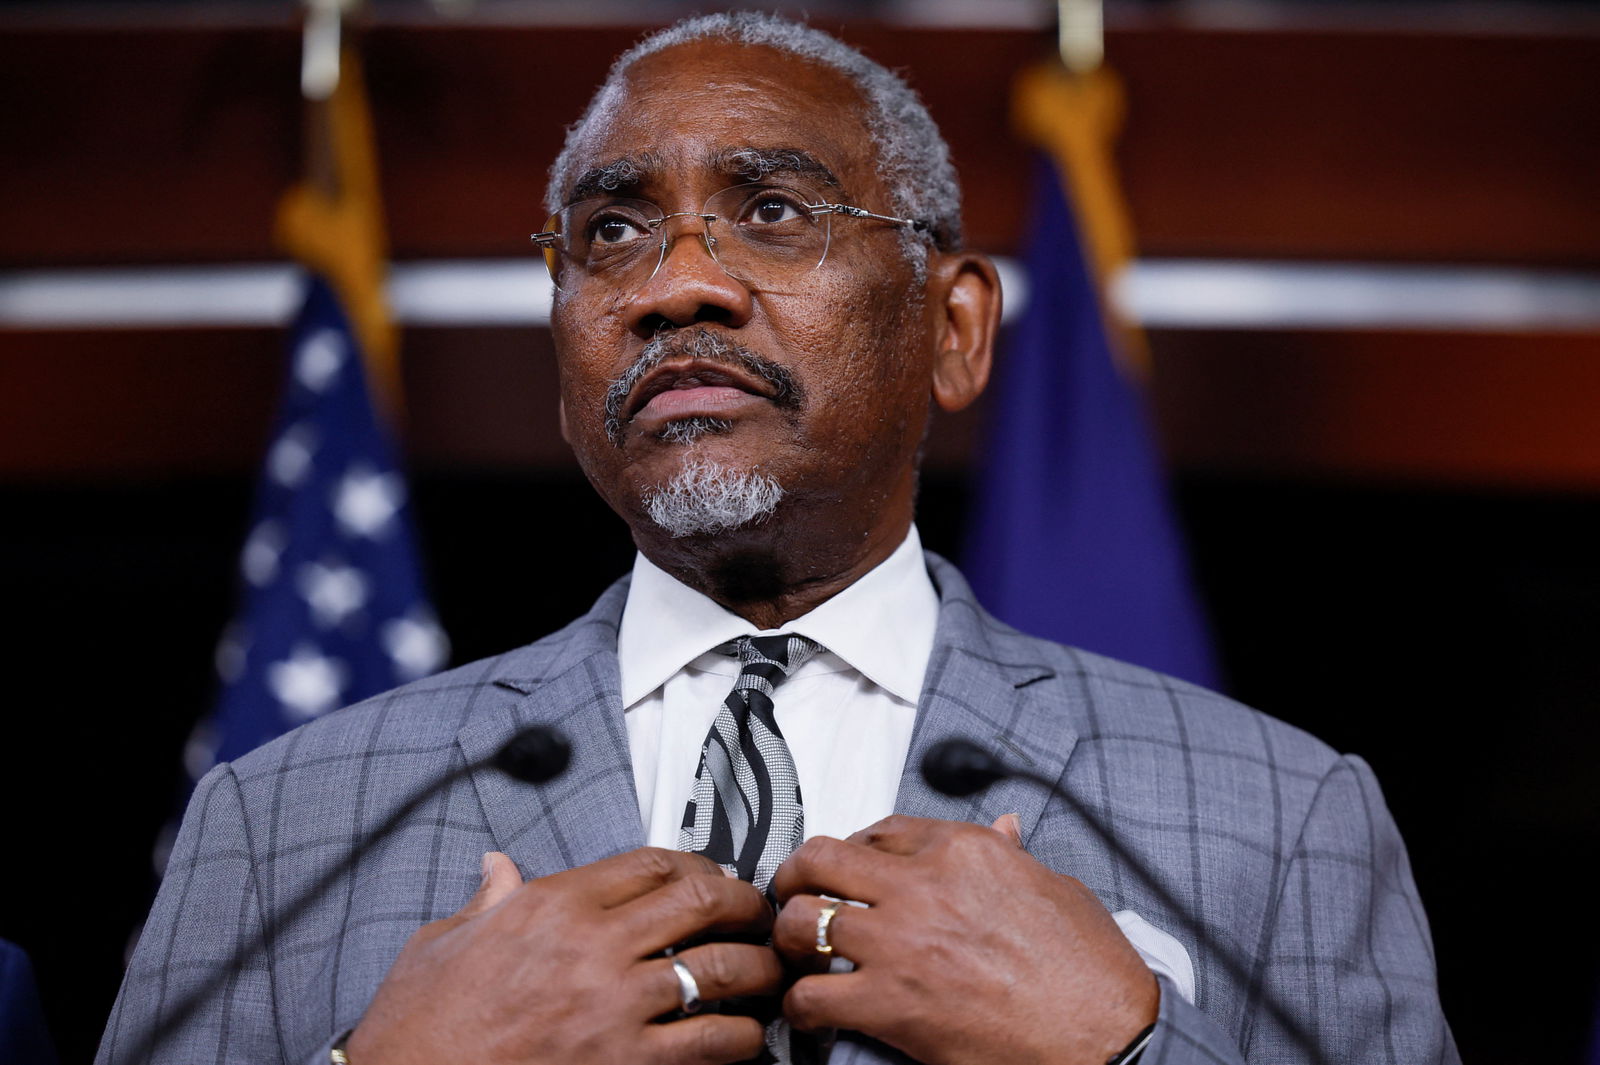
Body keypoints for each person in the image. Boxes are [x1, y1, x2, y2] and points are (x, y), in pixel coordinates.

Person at [99, 13, 1455, 1065]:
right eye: (612, 231)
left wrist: (1130, 1042)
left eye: (775, 210)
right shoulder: (277, 822)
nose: (676, 282)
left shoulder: (1283, 817)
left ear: (956, 326)